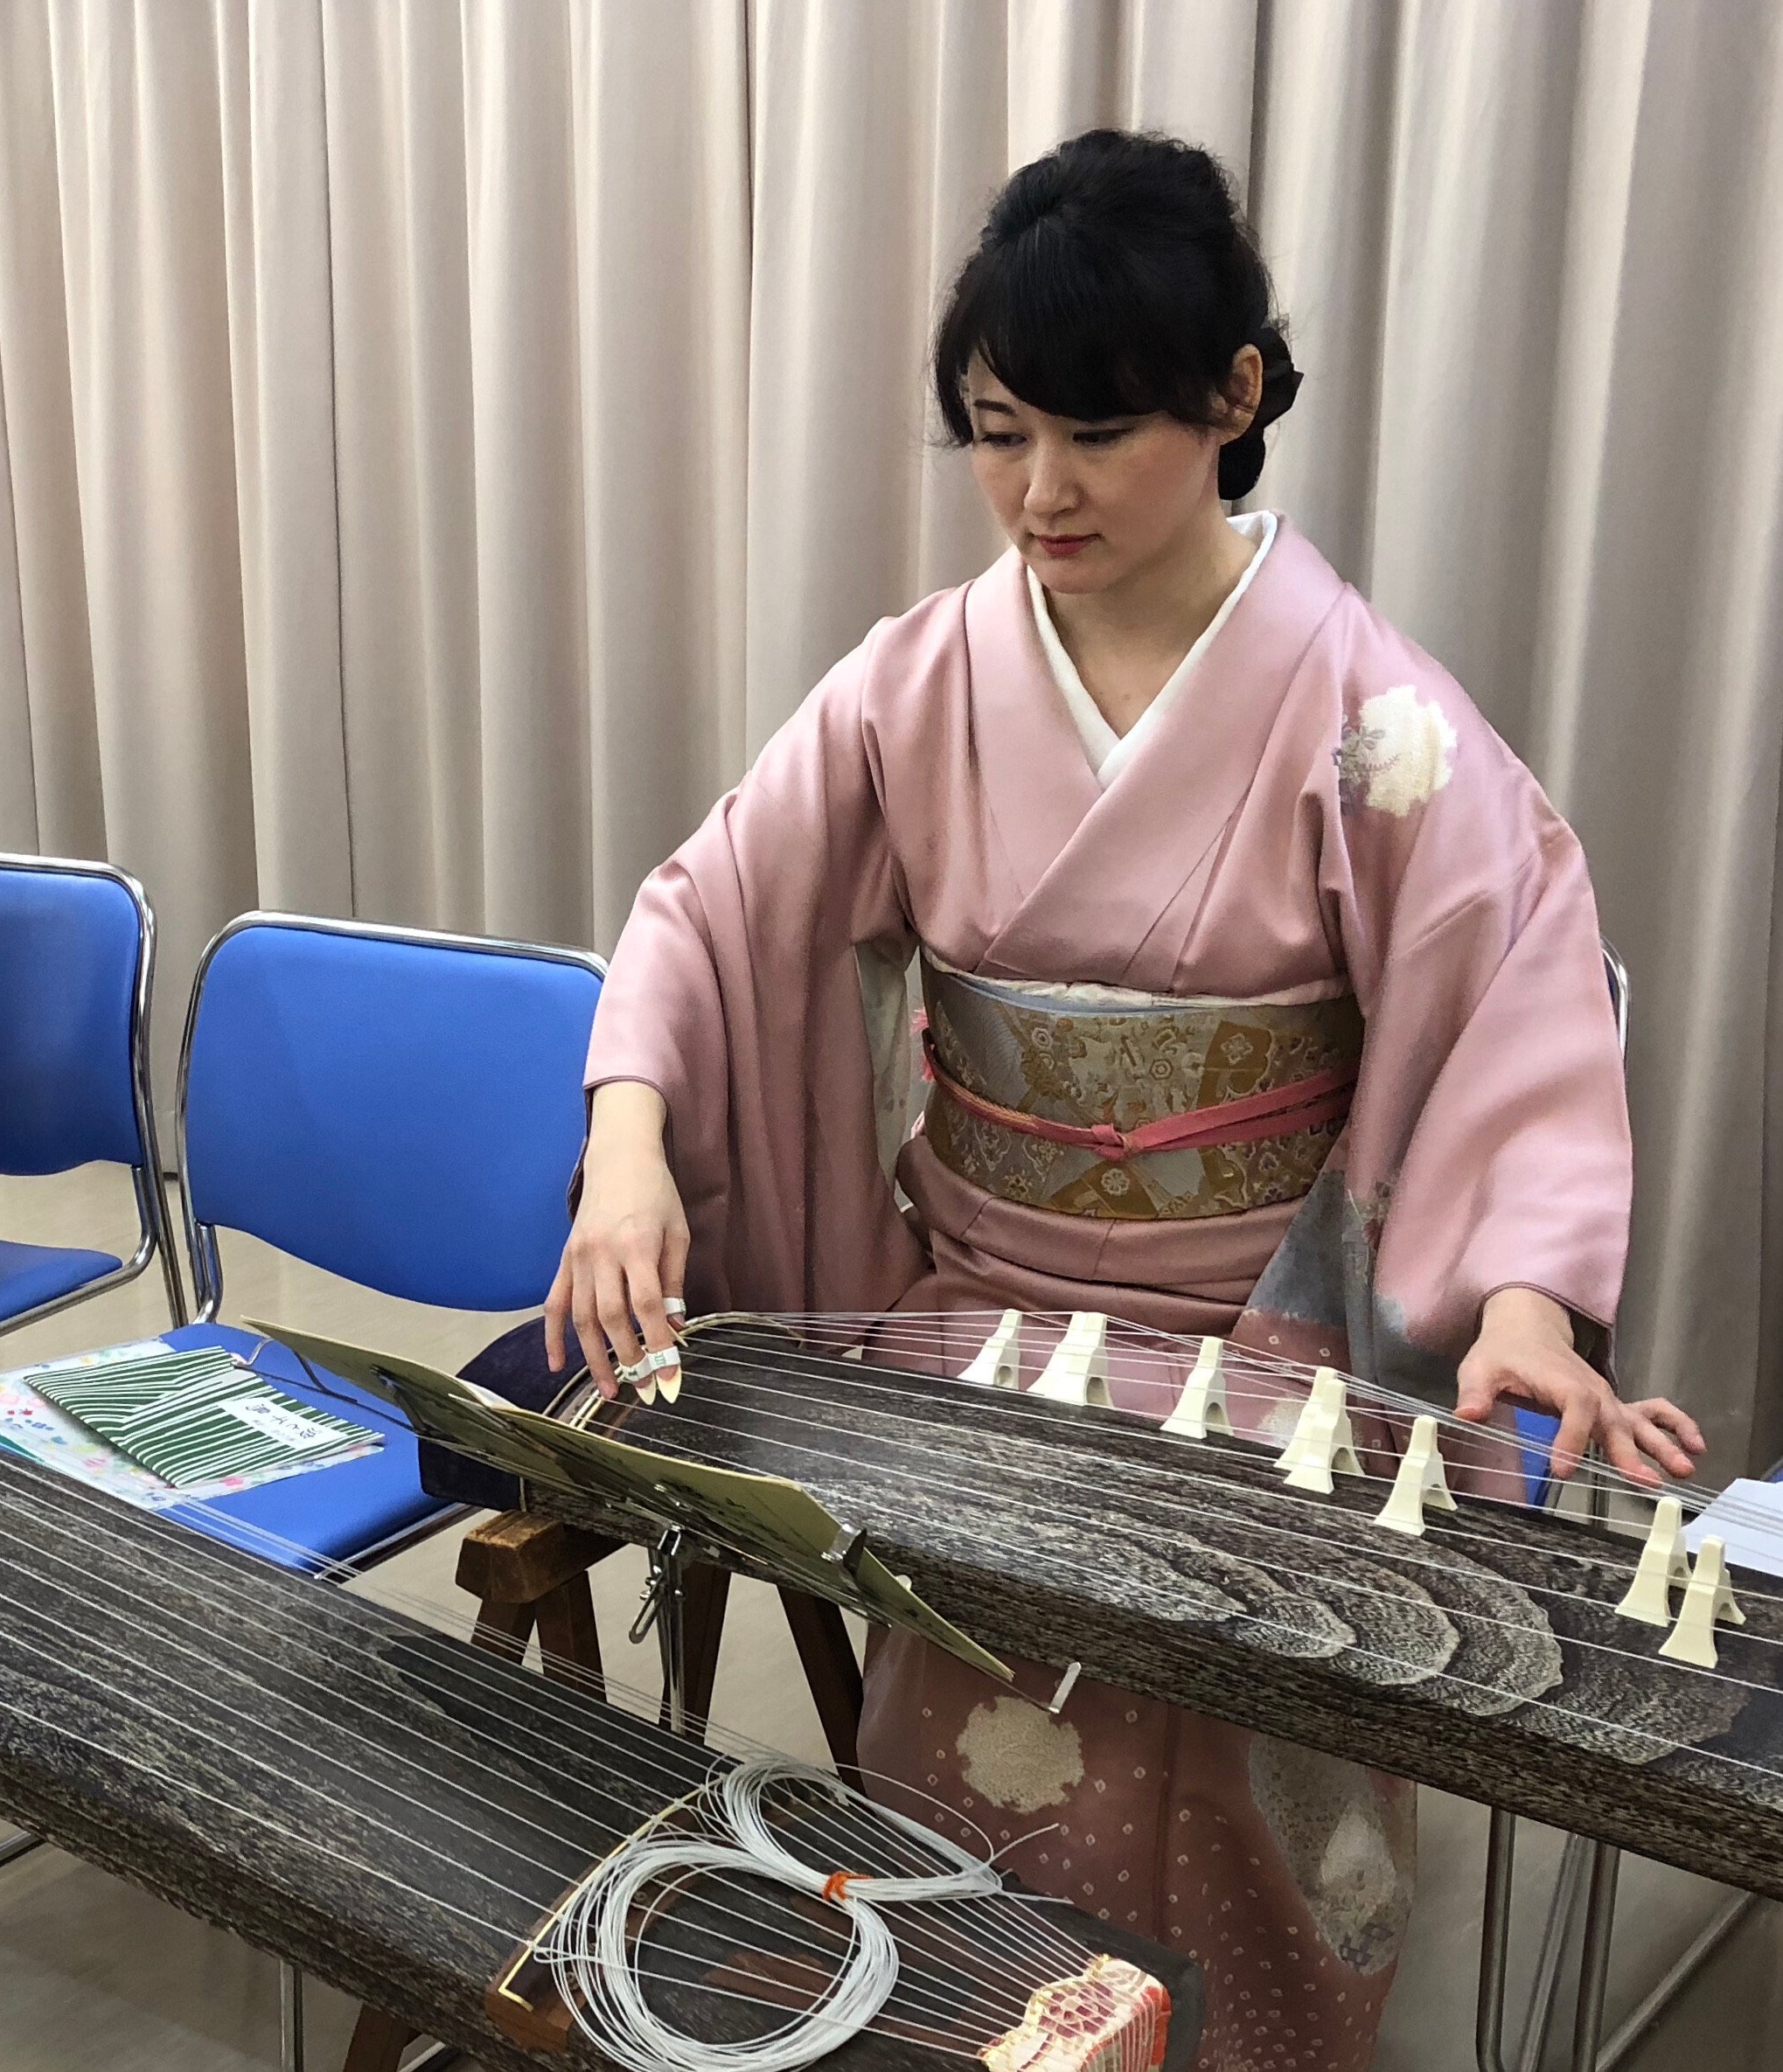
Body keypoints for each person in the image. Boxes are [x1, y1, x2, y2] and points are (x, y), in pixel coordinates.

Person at [549, 131, 1704, 2070]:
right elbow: (706, 907)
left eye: (1096, 432)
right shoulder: (912, 686)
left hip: (1281, 1347)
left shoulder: (1370, 718)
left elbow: (1515, 1007)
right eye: (998, 434)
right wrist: (625, 1149)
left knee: (1259, 1804)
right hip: (988, 1339)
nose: (1040, 492)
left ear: (1234, 393)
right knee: (976, 1793)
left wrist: (1514, 1304)